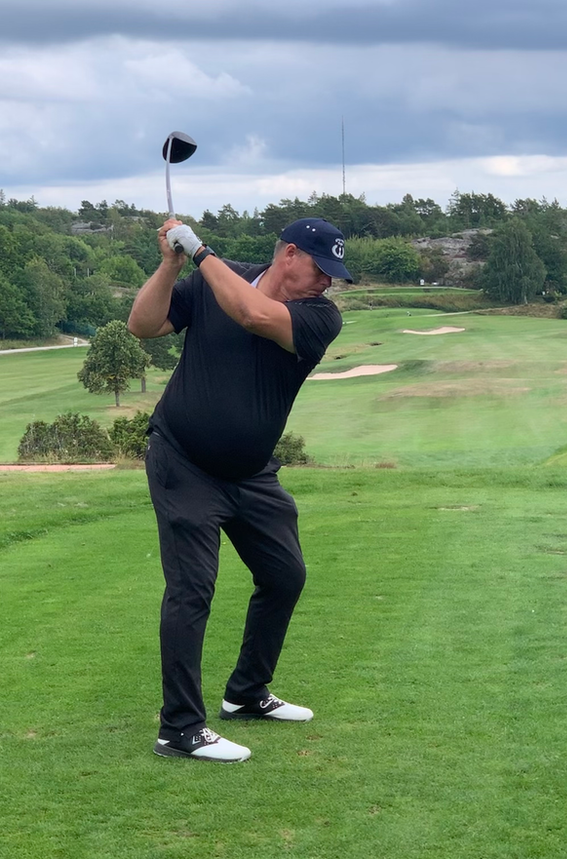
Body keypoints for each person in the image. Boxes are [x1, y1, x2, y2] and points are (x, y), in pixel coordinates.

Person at [127, 216, 351, 763]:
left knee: (285, 575)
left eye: (334, 275)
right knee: (192, 590)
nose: (328, 281)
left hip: (252, 474)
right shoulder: (213, 278)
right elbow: (143, 325)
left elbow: (253, 314)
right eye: (322, 269)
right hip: (183, 462)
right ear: (290, 254)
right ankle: (180, 728)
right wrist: (171, 264)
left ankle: (247, 693)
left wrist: (200, 252)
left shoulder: (321, 317)